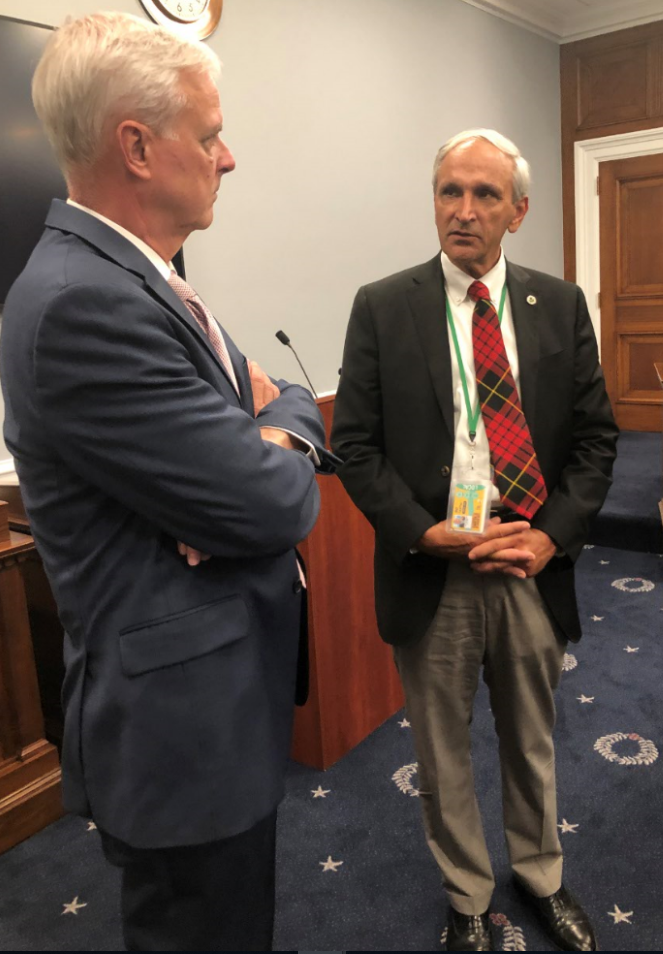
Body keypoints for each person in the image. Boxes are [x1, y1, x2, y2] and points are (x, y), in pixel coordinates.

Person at [0, 13, 335, 952]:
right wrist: (273, 436)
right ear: (137, 147)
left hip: (214, 700)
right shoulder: (84, 303)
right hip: (180, 734)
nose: (228, 157)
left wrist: (266, 429)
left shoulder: (140, 279)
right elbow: (274, 501)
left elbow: (276, 405)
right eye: (210, 133)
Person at [331, 129, 618, 952]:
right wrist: (420, 531)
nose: (463, 210)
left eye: (484, 194)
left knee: (530, 739)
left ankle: (540, 877)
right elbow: (354, 445)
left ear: (517, 211)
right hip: (433, 569)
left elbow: (596, 441)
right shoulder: (382, 305)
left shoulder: (558, 304)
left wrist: (549, 539)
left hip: (527, 561)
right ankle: (465, 897)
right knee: (441, 748)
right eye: (448, 191)